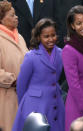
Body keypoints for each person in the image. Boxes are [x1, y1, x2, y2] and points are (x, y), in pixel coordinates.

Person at [12, 18, 65, 131]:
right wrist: (24, 106)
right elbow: (21, 85)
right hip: (35, 105)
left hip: (56, 103)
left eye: (53, 35)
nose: (51, 39)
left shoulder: (61, 53)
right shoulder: (31, 57)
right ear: (38, 37)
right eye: (46, 36)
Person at [0, 1, 28, 131]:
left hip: (24, 96)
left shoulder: (20, 37)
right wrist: (13, 80)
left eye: (15, 15)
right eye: (12, 15)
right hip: (6, 98)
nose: (16, 17)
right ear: (1, 19)